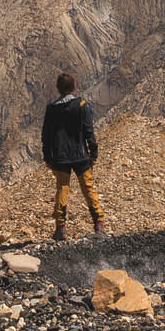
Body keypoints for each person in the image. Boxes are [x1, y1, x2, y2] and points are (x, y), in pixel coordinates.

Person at [42, 72, 105, 240]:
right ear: (73, 87)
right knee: (88, 188)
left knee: (62, 188)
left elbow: (46, 135)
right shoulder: (82, 105)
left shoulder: (52, 108)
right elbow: (88, 130)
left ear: (58, 87)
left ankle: (60, 228)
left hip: (60, 157)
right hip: (81, 155)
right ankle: (98, 223)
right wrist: (94, 152)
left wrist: (47, 157)